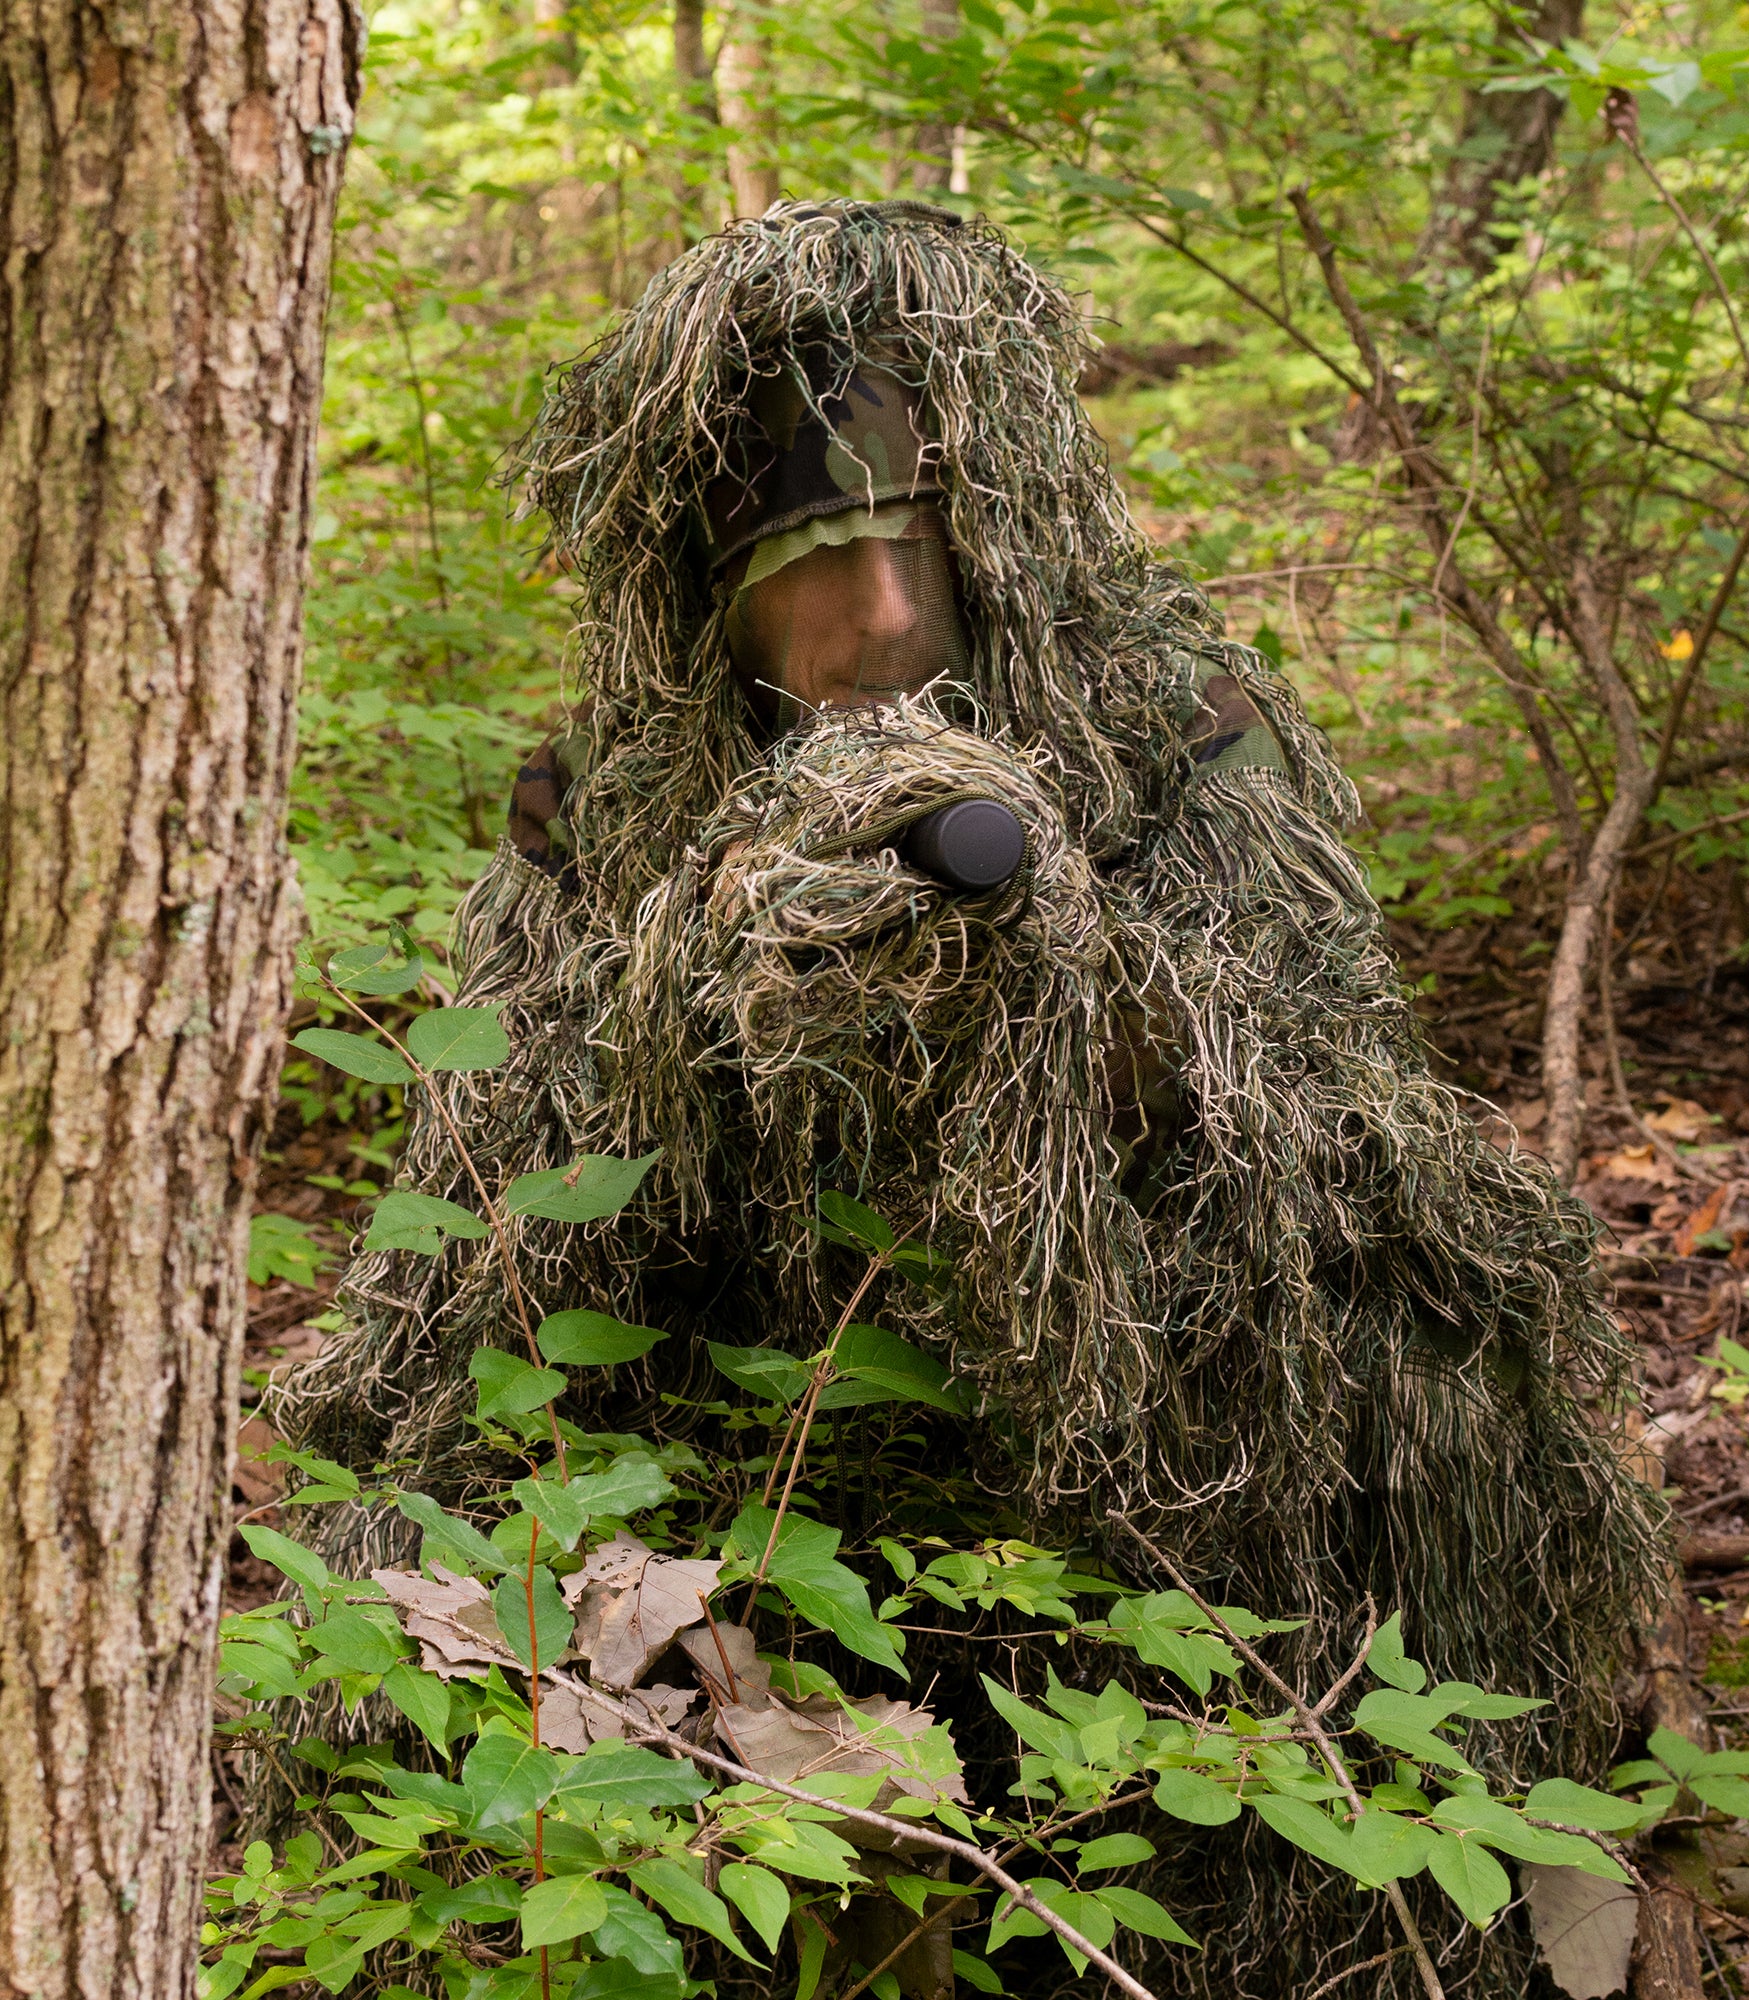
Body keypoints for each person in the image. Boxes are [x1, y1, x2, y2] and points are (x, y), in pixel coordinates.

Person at [277, 198, 1667, 1997]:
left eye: (906, 545)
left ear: (989, 528)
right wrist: (710, 1020)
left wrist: (1058, 999)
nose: (868, 619)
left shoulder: (1169, 727)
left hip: (1155, 1453)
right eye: (803, 564)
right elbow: (504, 1245)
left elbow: (1332, 1151)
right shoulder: (605, 807)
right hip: (759, 1460)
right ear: (703, 592)